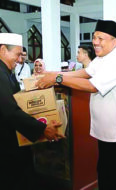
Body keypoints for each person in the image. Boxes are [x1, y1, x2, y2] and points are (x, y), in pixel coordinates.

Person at [36, 20, 116, 190]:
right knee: (105, 170)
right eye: (94, 37)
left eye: (101, 38)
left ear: (114, 41)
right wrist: (55, 73)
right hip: (105, 129)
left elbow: (92, 85)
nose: (95, 42)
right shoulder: (102, 57)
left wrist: (58, 79)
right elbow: (85, 72)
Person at [0, 33, 63, 190]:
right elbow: (10, 111)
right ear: (3, 50)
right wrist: (42, 128)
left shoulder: (6, 72)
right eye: (17, 54)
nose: (20, 59)